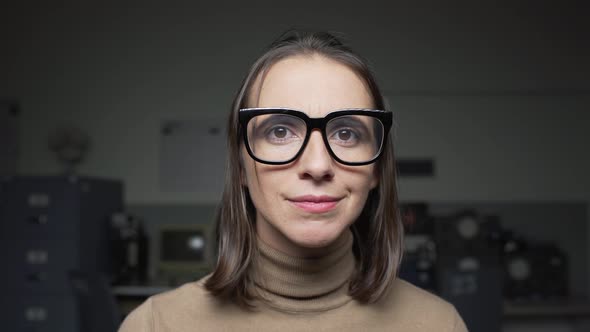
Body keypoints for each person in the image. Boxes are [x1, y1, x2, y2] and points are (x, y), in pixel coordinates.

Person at [119, 30, 468, 332]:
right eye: (280, 131)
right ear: (241, 164)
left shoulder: (437, 324)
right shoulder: (155, 324)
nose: (317, 165)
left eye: (346, 133)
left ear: (377, 168)